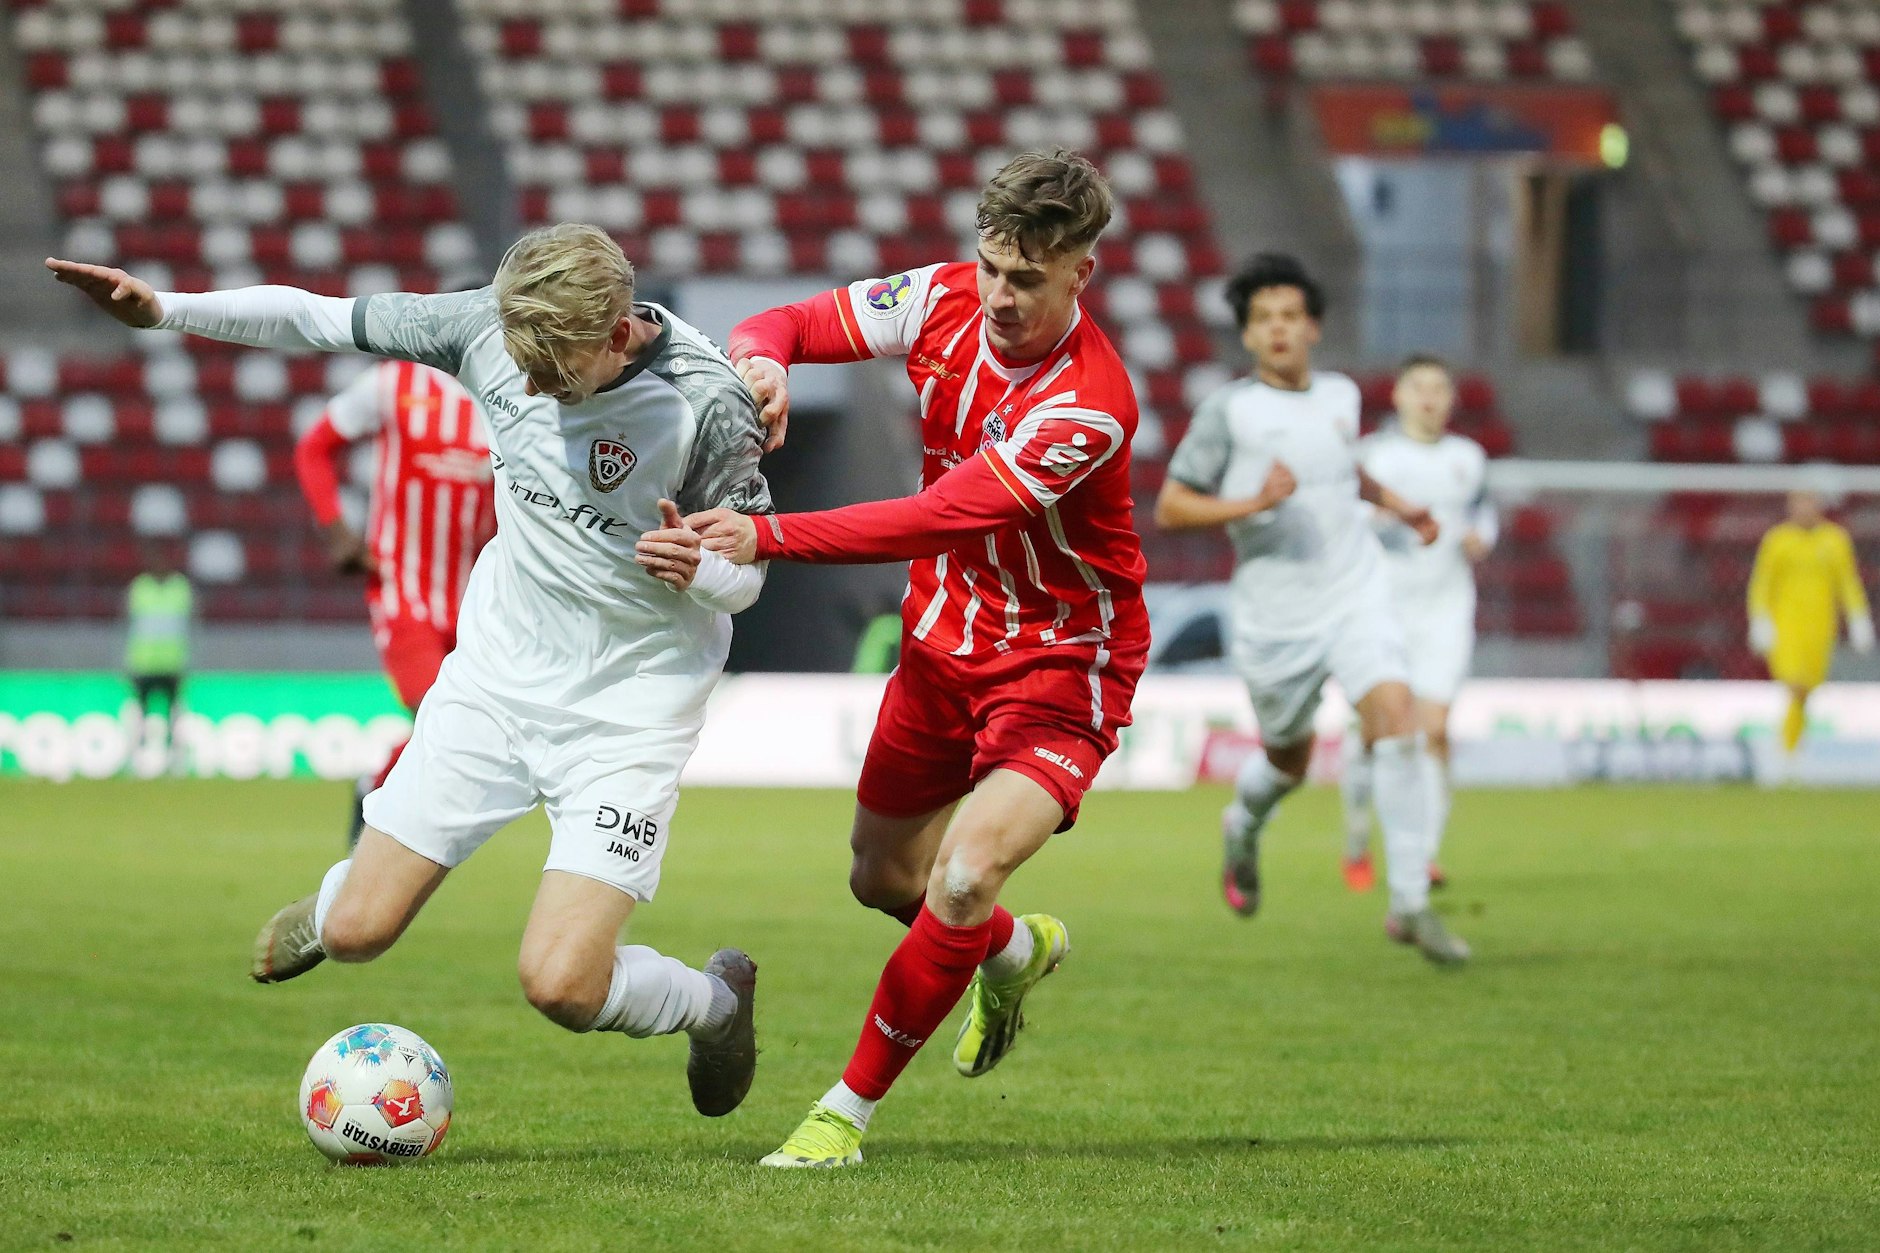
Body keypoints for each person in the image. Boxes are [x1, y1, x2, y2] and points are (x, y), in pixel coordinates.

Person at [49, 223, 774, 1118]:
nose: (533, 387)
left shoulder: (707, 403)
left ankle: (717, 1004)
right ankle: (334, 905)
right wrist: (165, 310)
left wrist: (703, 570)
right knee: (356, 933)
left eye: (556, 369)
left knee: (560, 986)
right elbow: (315, 318)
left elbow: (750, 573)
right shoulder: (484, 326)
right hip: (496, 681)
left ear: (619, 332)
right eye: (523, 363)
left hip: (629, 710)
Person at [693, 148, 1150, 1168]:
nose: (998, 295)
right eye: (991, 265)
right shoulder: (939, 299)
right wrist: (758, 360)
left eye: (1026, 277)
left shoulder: (1087, 404)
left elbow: (941, 514)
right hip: (943, 642)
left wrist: (763, 534)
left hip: (1058, 660)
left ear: (1082, 272)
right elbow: (793, 323)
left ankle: (841, 1116)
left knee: (960, 873)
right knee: (878, 876)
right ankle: (1014, 951)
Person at [1154, 253, 1468, 966]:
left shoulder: (1341, 397)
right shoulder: (1229, 411)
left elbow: (1341, 470)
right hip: (1275, 615)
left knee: (1397, 718)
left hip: (1356, 591)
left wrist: (1397, 503)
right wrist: (1253, 503)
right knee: (1288, 762)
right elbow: (1172, 504)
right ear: (1248, 335)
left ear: (1314, 326)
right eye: (1263, 319)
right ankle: (1243, 824)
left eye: (1289, 316)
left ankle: (1411, 901)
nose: (1278, 329)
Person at [294, 357, 497, 846]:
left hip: (481, 599)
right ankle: (390, 824)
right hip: (403, 588)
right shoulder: (395, 382)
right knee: (438, 711)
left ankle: (376, 786)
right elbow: (314, 447)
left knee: (470, 729)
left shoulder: (514, 394)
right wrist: (337, 530)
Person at [1339, 356, 1496, 892]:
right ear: (1399, 396)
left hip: (1446, 606)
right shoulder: (1375, 456)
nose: (1429, 397)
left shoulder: (1468, 459)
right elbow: (1342, 514)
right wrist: (1375, 519)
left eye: (1439, 388)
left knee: (1435, 730)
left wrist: (1482, 538)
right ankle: (1357, 839)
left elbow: (1483, 515)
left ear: (1451, 400)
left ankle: (1422, 855)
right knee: (1374, 737)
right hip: (1381, 607)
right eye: (1418, 387)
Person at [1748, 490, 1874, 754]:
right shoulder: (1778, 540)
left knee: (1805, 693)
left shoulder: (1835, 540)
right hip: (1786, 627)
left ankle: (1792, 750)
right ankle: (1786, 752)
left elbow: (1847, 583)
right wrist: (1759, 619)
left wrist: (1858, 619)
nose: (1803, 508)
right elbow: (1762, 584)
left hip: (1820, 627)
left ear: (1819, 505)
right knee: (1796, 684)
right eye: (1798, 502)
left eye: (1809, 501)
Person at [124, 547, 192, 772]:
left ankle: (174, 759)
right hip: (144, 663)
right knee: (140, 714)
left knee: (173, 715)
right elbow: (129, 626)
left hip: (172, 664)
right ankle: (138, 758)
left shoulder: (180, 588)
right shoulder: (140, 588)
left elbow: (189, 627)